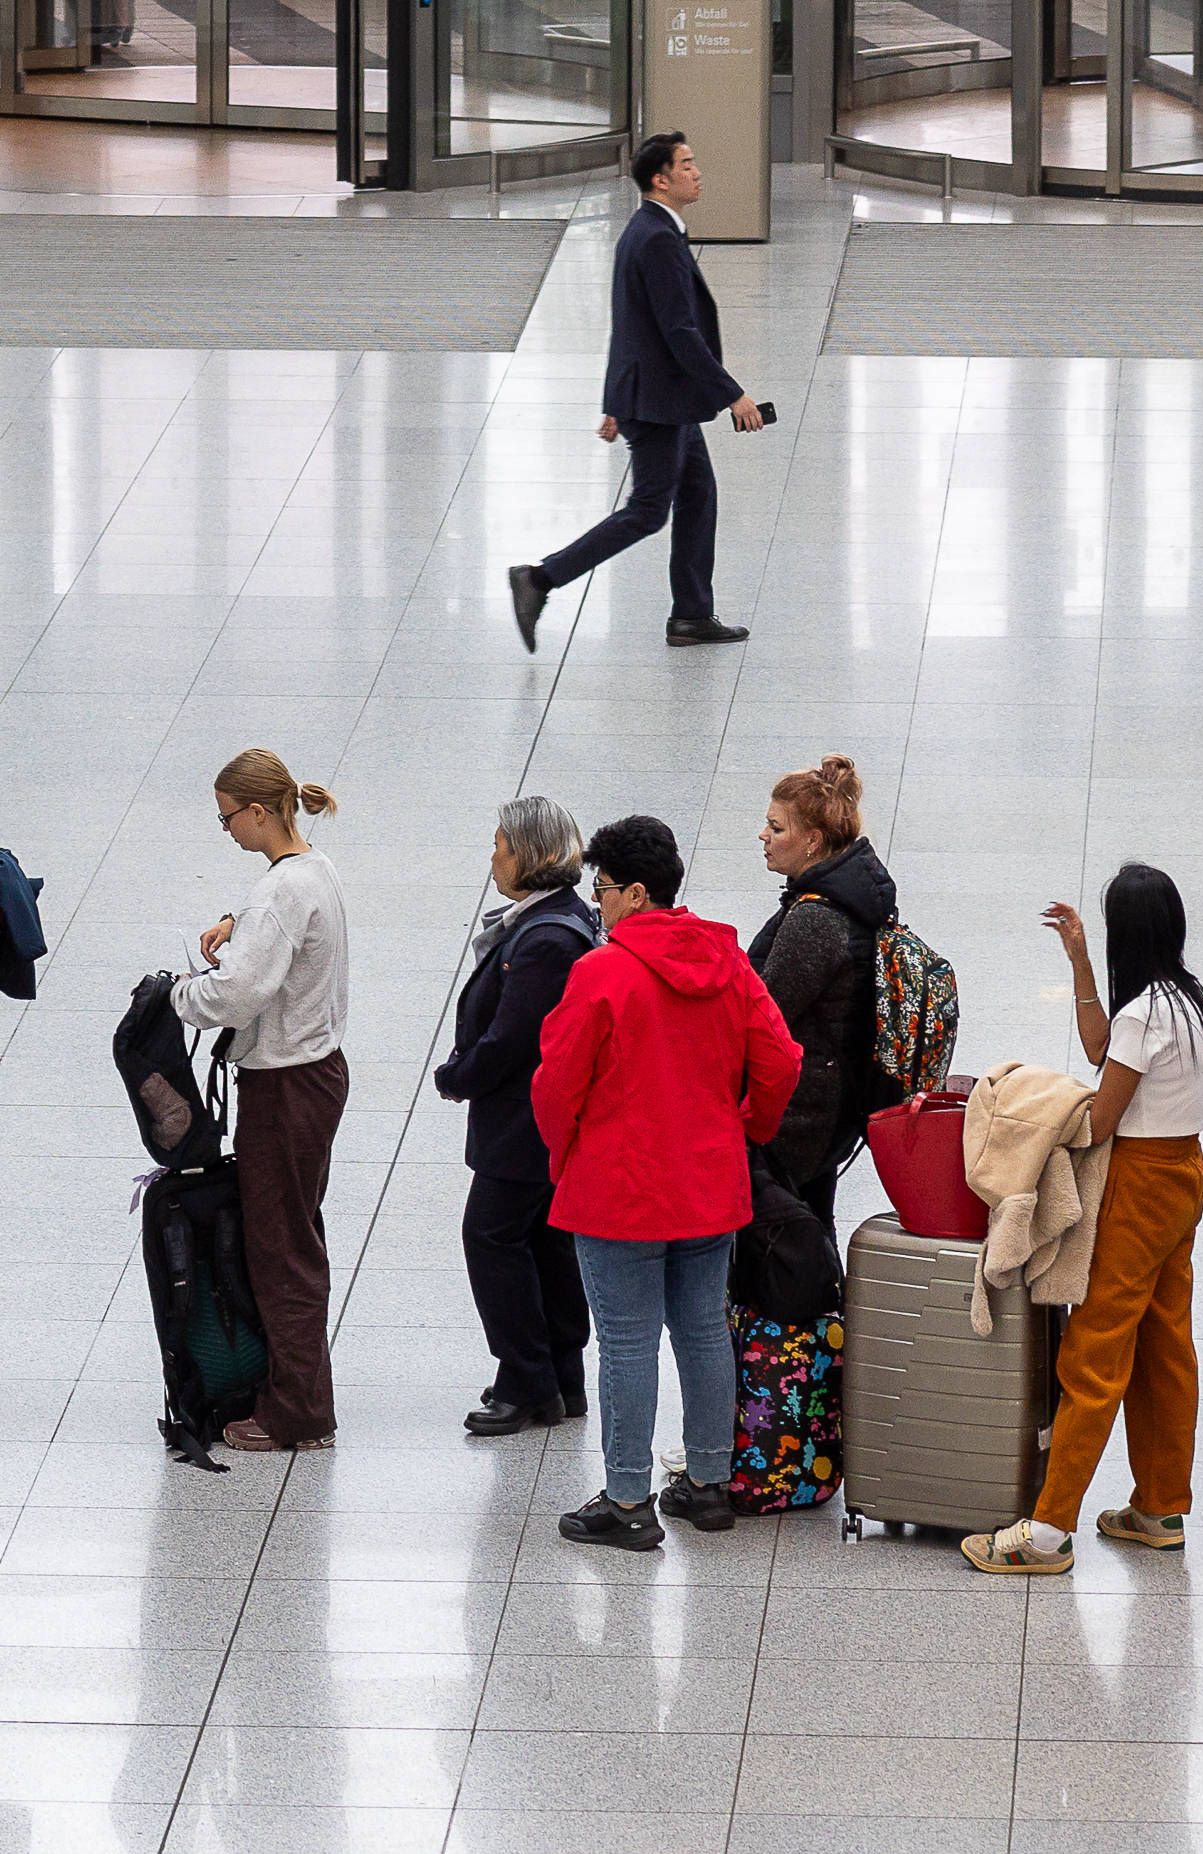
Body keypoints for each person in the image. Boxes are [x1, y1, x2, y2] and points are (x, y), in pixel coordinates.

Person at [533, 815, 803, 1552]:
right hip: (708, 1183)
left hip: (619, 1189)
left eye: (603, 889)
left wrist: (566, 1155)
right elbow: (781, 1059)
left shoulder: (602, 973)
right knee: (703, 1329)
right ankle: (708, 1484)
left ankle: (627, 1500)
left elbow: (556, 1085)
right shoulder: (728, 963)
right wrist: (746, 1126)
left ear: (637, 894)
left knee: (626, 1344)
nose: (597, 903)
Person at [964, 865, 1203, 1574]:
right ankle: (1159, 1507)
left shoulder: (1144, 1015)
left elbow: (1101, 1118)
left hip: (1139, 1187)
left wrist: (1039, 1114)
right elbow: (1102, 1049)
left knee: (1095, 1349)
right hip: (1185, 1175)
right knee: (1165, 1343)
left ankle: (1048, 1531)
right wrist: (1078, 961)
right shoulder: (1189, 1002)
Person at [508, 132, 762, 655]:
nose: (697, 173)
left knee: (698, 496)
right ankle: (540, 578)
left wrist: (616, 403)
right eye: (686, 165)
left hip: (662, 398)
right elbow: (678, 332)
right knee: (648, 510)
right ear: (660, 180)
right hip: (661, 403)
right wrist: (732, 394)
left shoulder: (649, 230)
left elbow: (630, 324)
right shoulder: (657, 239)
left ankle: (691, 615)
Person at [168, 750, 349, 1453]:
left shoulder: (279, 893)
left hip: (284, 1088)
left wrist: (178, 994)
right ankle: (302, 1394)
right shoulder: (313, 869)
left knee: (280, 1250)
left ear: (257, 811)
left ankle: (295, 1413)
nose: (227, 831)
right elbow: (276, 926)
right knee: (295, 1233)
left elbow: (235, 995)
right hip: (318, 1075)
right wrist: (234, 924)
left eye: (227, 819)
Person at [439, 796, 601, 1436]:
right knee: (543, 1240)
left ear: (531, 854)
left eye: (500, 845)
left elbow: (514, 1039)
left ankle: (527, 1382)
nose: (493, 857)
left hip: (524, 1126)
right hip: (537, 1125)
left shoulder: (547, 940)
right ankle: (560, 1377)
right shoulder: (559, 920)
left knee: (492, 1237)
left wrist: (459, 1075)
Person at [745, 755, 898, 1225]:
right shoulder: (846, 900)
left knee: (783, 1242)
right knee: (808, 1227)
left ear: (812, 841)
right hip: (828, 1102)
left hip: (798, 1111)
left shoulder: (816, 919)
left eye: (776, 827)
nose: (763, 835)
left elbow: (766, 1015)